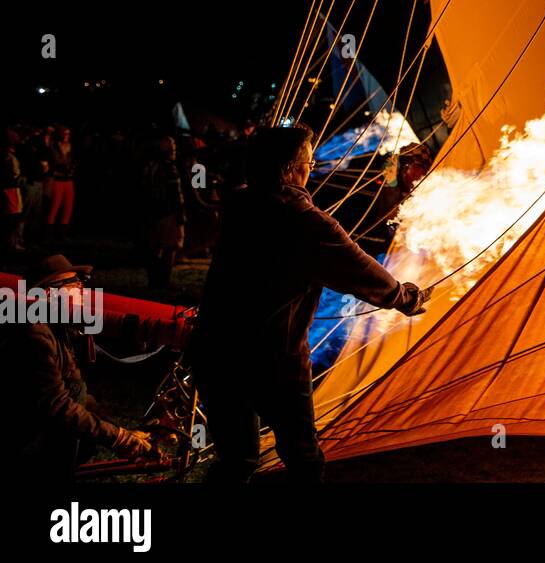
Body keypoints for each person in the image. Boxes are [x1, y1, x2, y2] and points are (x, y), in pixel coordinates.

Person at [190, 124, 428, 482]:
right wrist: (405, 297)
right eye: (308, 160)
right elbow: (358, 269)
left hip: (215, 350)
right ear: (289, 168)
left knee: (236, 459)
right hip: (272, 359)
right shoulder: (305, 222)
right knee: (304, 459)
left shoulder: (241, 205)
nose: (312, 167)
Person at [0, 254, 153, 480]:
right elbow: (58, 405)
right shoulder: (34, 334)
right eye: (73, 284)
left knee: (82, 410)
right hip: (20, 435)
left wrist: (119, 431)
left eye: (81, 283)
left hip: (34, 427)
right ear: (49, 293)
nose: (82, 289)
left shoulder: (58, 326)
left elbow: (79, 393)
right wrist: (117, 437)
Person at [139, 135, 187, 288]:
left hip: (152, 212)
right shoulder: (169, 168)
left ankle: (153, 279)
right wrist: (180, 214)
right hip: (167, 212)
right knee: (170, 246)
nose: (175, 151)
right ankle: (163, 280)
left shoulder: (149, 166)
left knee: (155, 247)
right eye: (172, 148)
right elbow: (175, 194)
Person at [46, 126, 75, 239]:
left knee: (68, 207)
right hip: (58, 179)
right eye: (64, 133)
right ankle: (48, 234)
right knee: (54, 206)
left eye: (68, 134)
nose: (66, 136)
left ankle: (62, 234)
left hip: (68, 180)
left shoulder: (70, 147)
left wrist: (71, 167)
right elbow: (55, 161)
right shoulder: (54, 147)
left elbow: (71, 162)